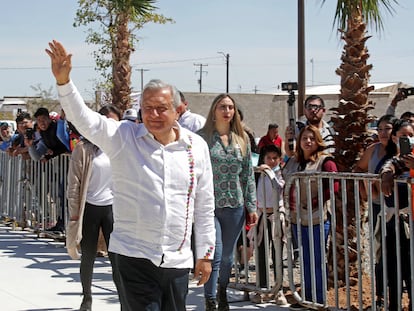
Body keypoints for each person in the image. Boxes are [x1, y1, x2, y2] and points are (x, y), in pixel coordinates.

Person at [46, 40, 216, 311]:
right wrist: (65, 82)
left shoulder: (196, 147)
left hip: (177, 261)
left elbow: (204, 204)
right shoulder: (123, 138)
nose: (154, 114)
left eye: (162, 108)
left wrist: (205, 254)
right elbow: (85, 119)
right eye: (147, 108)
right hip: (133, 256)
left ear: (177, 110)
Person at [197, 93, 258, 311]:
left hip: (235, 205)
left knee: (227, 258)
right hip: (208, 206)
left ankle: (222, 292)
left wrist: (252, 205)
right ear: (214, 110)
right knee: (215, 253)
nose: (227, 111)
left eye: (230, 107)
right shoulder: (201, 138)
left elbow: (248, 175)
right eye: (222, 106)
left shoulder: (241, 140)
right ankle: (210, 299)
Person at [66, 105, 120, 311]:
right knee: (88, 255)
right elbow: (74, 183)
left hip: (112, 208)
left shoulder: (121, 149)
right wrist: (74, 211)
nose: (110, 125)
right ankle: (87, 297)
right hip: (89, 207)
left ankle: (124, 297)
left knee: (117, 256)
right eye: (106, 120)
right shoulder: (84, 148)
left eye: (114, 122)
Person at [282, 125, 339, 308]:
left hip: (317, 218)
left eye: (312, 138)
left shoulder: (325, 161)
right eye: (305, 138)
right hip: (296, 219)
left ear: (318, 141)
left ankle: (319, 300)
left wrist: (316, 201)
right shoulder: (293, 161)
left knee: (317, 260)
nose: (308, 141)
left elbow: (334, 186)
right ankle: (306, 298)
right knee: (305, 259)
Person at [353, 114, 397, 307]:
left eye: (387, 128)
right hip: (378, 208)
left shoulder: (402, 152)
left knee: (401, 254)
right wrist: (365, 189)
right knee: (380, 253)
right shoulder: (373, 150)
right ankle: (380, 296)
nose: (382, 133)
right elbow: (358, 169)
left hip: (401, 209)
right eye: (379, 129)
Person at [379, 119, 414, 311]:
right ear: (395, 138)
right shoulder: (399, 160)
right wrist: (386, 174)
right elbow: (390, 165)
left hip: (411, 219)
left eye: (410, 136)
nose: (408, 140)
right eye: (403, 137)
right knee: (394, 266)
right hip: (396, 221)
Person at [253, 144, 286, 304]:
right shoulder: (258, 174)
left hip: (276, 215)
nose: (272, 161)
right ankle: (262, 287)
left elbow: (280, 188)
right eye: (268, 158)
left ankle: (279, 289)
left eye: (275, 158)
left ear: (279, 159)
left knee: (277, 253)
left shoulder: (280, 173)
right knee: (260, 253)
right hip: (261, 215)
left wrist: (271, 172)